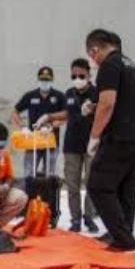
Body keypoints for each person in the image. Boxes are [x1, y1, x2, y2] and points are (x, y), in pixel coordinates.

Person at [83, 29, 135, 252]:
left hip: (119, 137)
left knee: (98, 186)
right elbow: (124, 101)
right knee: (124, 189)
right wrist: (95, 106)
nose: (92, 61)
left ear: (94, 49)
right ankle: (122, 231)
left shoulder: (109, 65)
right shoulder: (130, 64)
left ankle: (122, 238)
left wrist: (94, 135)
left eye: (91, 56)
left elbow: (108, 103)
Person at [37, 58, 99, 233]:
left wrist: (93, 108)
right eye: (74, 75)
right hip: (71, 145)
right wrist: (49, 117)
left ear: (89, 74)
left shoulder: (97, 93)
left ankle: (89, 217)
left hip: (91, 144)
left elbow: (104, 110)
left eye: (81, 75)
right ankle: (76, 219)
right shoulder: (69, 93)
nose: (77, 78)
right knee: (72, 185)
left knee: (91, 183)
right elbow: (67, 113)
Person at [12, 67, 64, 176]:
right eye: (42, 79)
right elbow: (14, 112)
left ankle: (47, 193)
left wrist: (53, 125)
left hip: (51, 141)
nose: (45, 82)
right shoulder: (30, 96)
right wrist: (23, 127)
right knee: (29, 173)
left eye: (47, 80)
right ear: (38, 80)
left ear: (52, 80)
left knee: (49, 174)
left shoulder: (59, 96)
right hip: (33, 140)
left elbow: (66, 116)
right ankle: (29, 192)